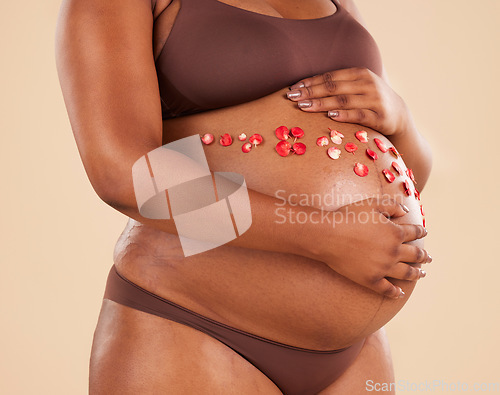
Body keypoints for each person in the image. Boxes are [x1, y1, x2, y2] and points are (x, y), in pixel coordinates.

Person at [55, 0, 432, 393]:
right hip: (193, 323)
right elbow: (122, 174)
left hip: (355, 350)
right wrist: (323, 236)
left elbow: (408, 176)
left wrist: (401, 119)